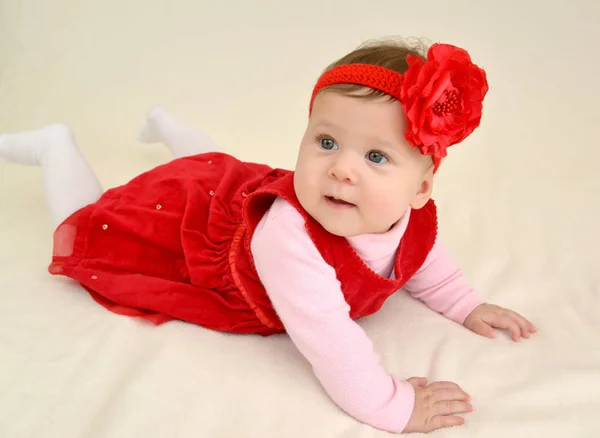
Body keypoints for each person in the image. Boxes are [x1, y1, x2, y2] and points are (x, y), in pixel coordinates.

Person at [0, 39, 536, 434]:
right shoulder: (289, 239)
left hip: (224, 195)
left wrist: (466, 305)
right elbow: (332, 343)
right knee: (96, 227)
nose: (342, 170)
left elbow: (424, 262)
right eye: (326, 141)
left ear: (420, 188)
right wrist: (393, 406)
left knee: (212, 166)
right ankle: (55, 147)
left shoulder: (411, 216)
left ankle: (165, 123)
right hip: (200, 233)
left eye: (376, 156)